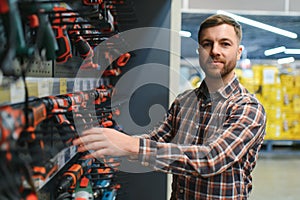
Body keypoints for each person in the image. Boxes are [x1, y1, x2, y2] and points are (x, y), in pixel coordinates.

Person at [73, 14, 267, 200]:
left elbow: (211, 159)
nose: (215, 50)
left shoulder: (247, 108)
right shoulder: (184, 101)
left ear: (239, 52)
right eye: (207, 44)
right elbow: (156, 139)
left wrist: (130, 146)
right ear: (199, 50)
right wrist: (109, 143)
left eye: (225, 44)